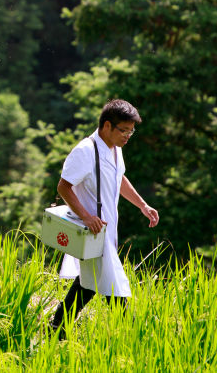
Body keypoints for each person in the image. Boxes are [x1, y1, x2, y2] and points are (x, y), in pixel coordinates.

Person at [50, 98, 159, 338]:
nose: (128, 136)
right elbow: (63, 187)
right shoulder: (86, 151)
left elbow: (119, 178)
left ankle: (56, 329)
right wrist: (87, 217)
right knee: (114, 286)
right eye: (124, 130)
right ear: (107, 125)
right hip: (92, 230)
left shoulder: (115, 148)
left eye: (131, 131)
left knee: (88, 284)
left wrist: (142, 205)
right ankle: (134, 338)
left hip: (106, 232)